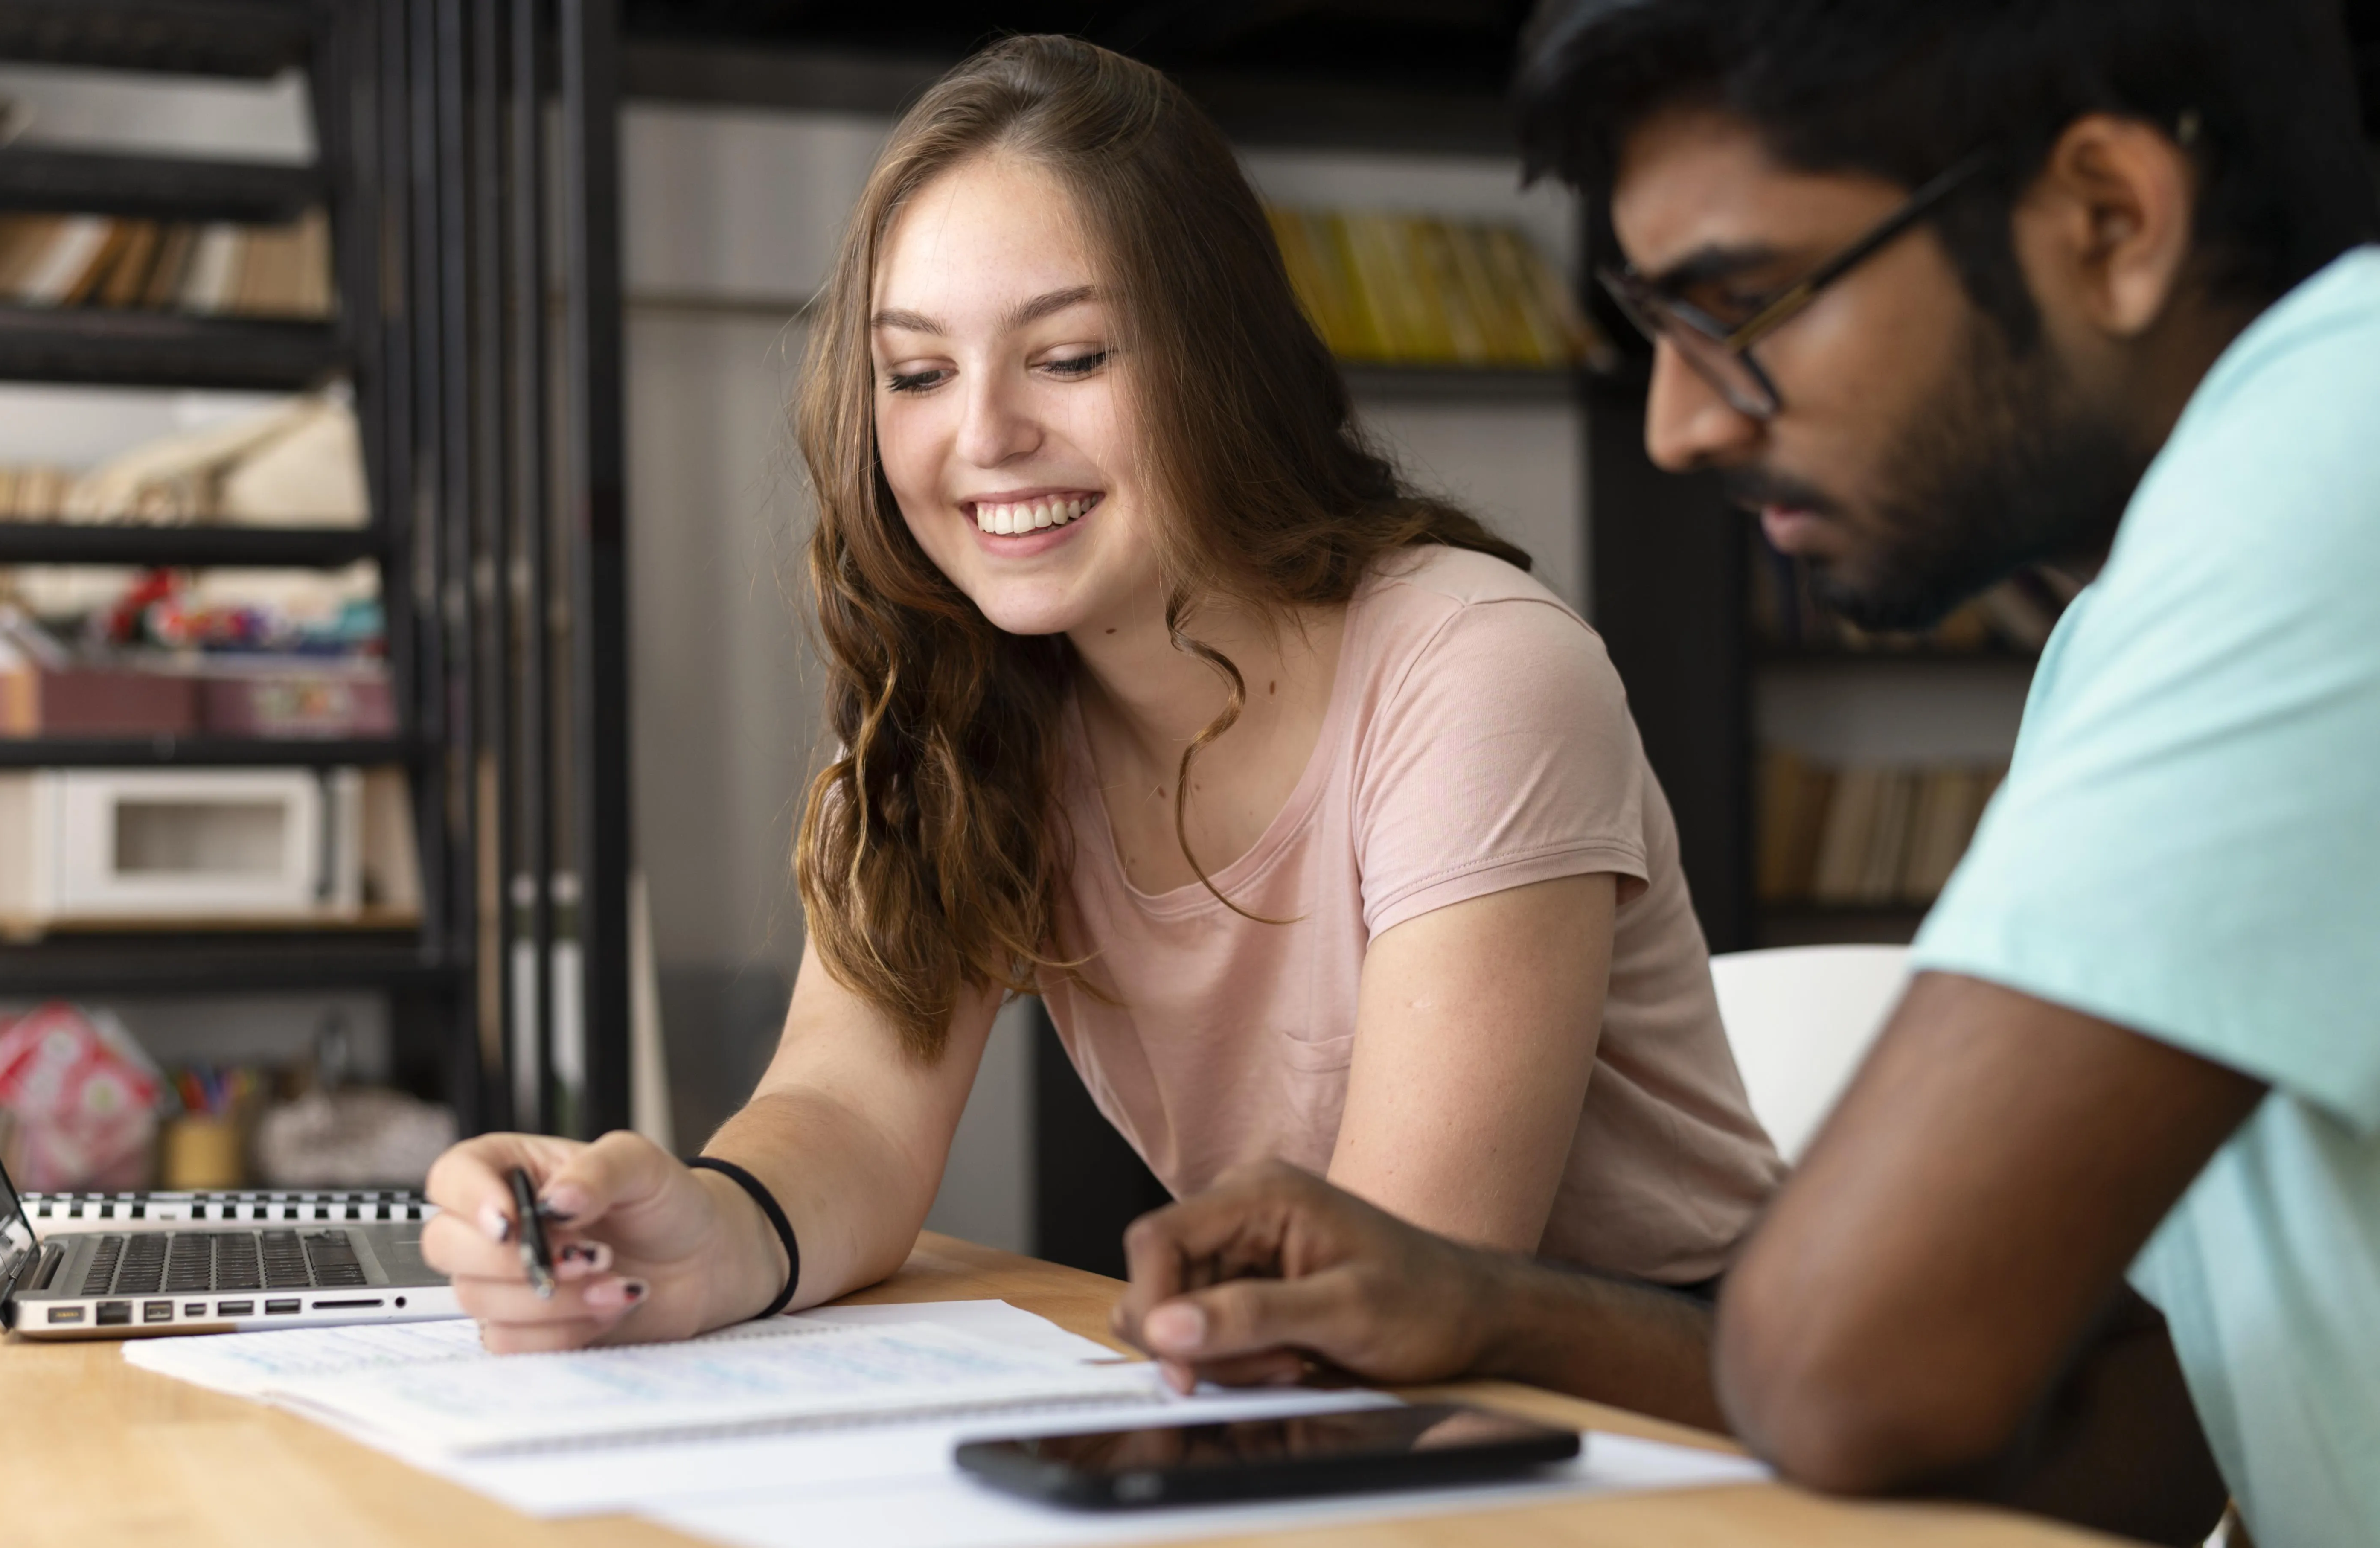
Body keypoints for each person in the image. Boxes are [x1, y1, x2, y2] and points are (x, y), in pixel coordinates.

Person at [1109, 3, 2380, 1545]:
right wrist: (1484, 1312)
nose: (1680, 423)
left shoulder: (2340, 440)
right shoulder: (2125, 623)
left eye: (1750, 303)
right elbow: (2136, 1430)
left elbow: (1854, 1365)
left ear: (2111, 218)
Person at [419, 36, 1779, 1358]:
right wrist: (691, 1232)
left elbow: (1406, 1276)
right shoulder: (955, 689)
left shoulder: (1476, 669)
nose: (985, 435)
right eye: (917, 374)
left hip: (1673, 1417)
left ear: (1220, 359)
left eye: (1069, 357)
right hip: (1345, 1401)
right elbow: (852, 1111)